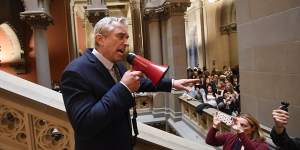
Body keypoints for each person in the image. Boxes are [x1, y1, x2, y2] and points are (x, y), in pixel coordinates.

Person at [60, 16, 199, 150]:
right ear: (100, 39)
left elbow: (139, 82)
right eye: (120, 36)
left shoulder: (118, 64)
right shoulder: (75, 72)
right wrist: (123, 87)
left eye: (127, 37)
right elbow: (85, 125)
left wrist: (172, 83)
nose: (126, 42)